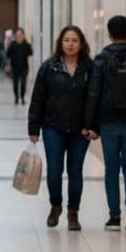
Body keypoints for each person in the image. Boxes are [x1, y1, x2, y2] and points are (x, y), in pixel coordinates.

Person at [84, 15, 126, 234]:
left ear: (109, 34)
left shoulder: (101, 60)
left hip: (109, 122)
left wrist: (91, 124)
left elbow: (93, 93)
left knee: (111, 169)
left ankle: (114, 218)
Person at [28, 26, 93, 231]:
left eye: (75, 40)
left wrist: (92, 126)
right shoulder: (49, 67)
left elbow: (95, 100)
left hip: (80, 130)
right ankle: (55, 206)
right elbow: (38, 98)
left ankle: (73, 213)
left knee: (75, 172)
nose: (70, 44)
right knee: (54, 171)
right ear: (60, 43)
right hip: (52, 127)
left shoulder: (90, 68)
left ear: (81, 43)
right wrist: (33, 127)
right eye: (66, 40)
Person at [6, 28, 34, 104]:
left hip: (24, 68)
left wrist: (31, 45)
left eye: (21, 35)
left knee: (23, 83)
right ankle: (16, 97)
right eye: (17, 35)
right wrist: (7, 66)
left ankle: (22, 97)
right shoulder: (12, 44)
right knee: (15, 84)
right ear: (15, 36)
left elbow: (31, 53)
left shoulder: (26, 45)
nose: (19, 36)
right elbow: (8, 56)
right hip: (14, 68)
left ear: (23, 35)